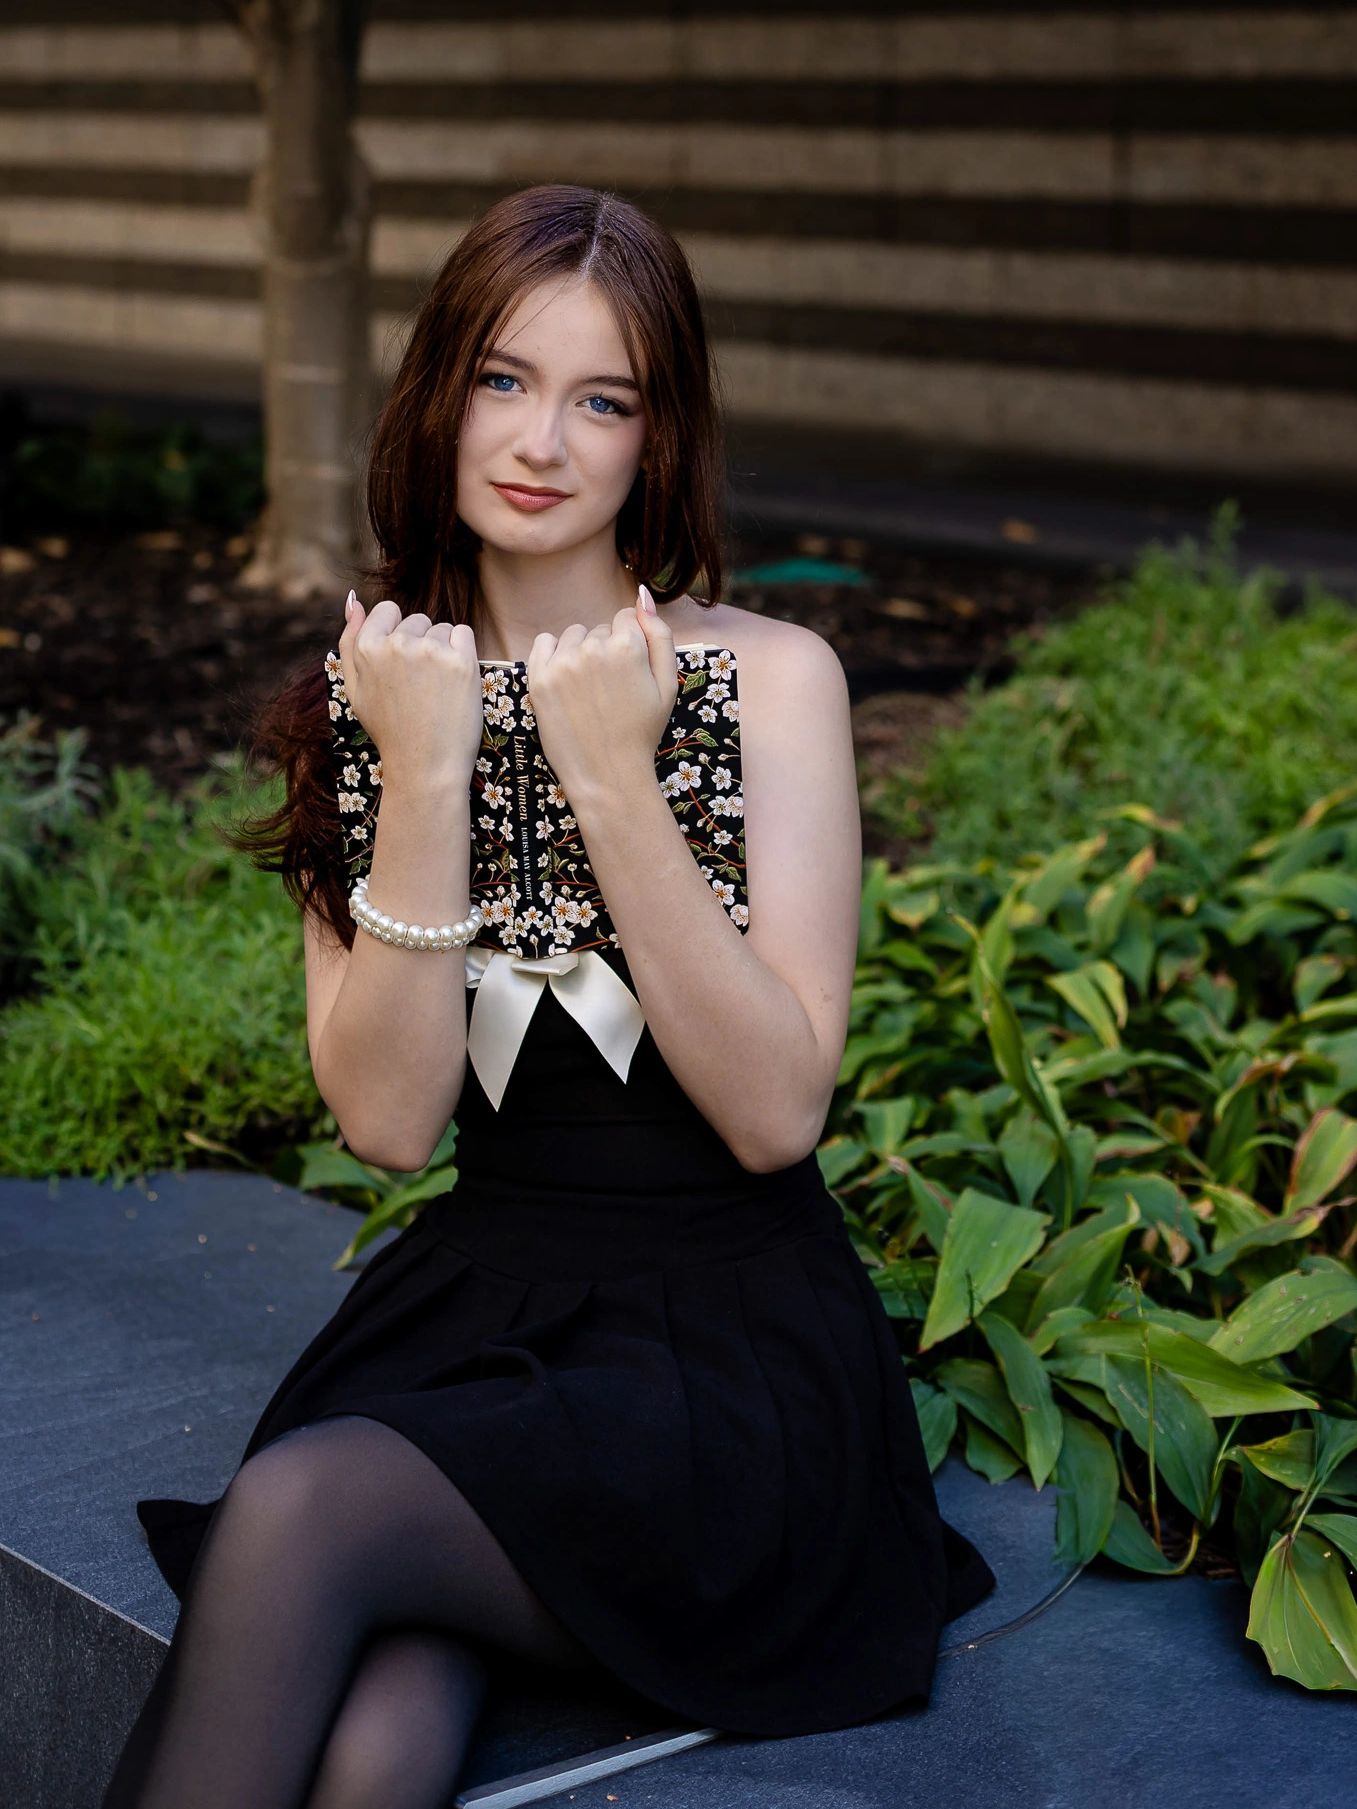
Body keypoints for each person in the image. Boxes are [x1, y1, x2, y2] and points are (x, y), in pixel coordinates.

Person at [103, 182, 995, 1808]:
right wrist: (426, 765)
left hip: (728, 1366)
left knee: (305, 1514)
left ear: (661, 436)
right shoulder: (369, 694)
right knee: (374, 1753)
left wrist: (608, 772)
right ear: (437, 393)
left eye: (606, 398)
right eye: (505, 379)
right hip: (480, 1319)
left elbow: (775, 1107)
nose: (543, 440)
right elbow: (385, 1122)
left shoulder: (773, 681)